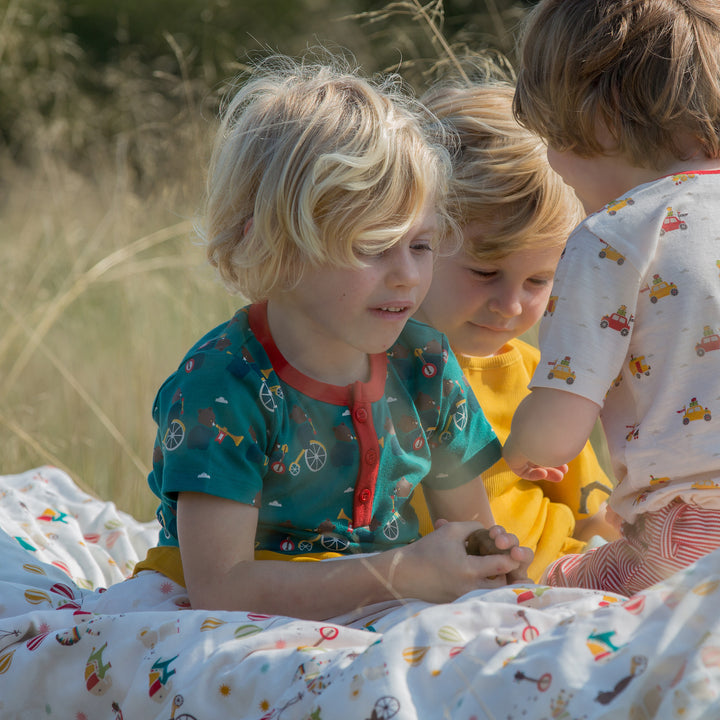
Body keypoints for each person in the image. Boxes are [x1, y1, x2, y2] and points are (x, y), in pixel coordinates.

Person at [133, 53, 532, 621]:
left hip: (387, 607)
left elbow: (470, 530)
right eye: (372, 245)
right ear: (275, 244)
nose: (408, 275)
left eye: (421, 245)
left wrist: (488, 561)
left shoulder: (423, 361)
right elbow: (219, 589)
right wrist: (403, 573)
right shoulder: (223, 387)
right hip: (229, 621)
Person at [503, 0, 720, 595]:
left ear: (601, 119)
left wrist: (516, 451)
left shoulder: (614, 236)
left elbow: (554, 434)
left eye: (552, 136)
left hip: (689, 539)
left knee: (539, 592)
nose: (551, 160)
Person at [412, 75, 617, 582]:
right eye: (485, 272)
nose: (509, 305)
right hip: (440, 588)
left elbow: (593, 511)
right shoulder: (366, 367)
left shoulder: (539, 374)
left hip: (558, 577)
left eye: (538, 280)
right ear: (417, 242)